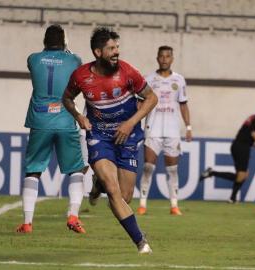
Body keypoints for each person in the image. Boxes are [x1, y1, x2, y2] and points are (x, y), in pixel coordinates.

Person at [62, 27, 157, 254]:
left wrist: (130, 123)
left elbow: (152, 98)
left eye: (117, 48)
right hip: (100, 136)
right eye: (111, 49)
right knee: (114, 192)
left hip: (128, 135)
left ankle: (99, 184)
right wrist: (79, 116)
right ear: (98, 52)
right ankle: (141, 243)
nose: (117, 52)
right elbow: (66, 98)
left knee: (125, 198)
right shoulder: (81, 76)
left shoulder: (128, 73)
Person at [16, 25, 87, 234]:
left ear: (44, 41)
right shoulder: (74, 59)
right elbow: (74, 62)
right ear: (64, 41)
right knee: (75, 169)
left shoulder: (33, 58)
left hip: (40, 120)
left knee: (33, 171)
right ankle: (73, 216)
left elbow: (40, 64)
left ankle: (27, 223)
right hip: (65, 120)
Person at [136, 45, 192, 216]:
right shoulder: (148, 79)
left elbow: (183, 105)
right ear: (157, 58)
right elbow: (140, 103)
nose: (165, 59)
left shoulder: (179, 80)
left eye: (168, 56)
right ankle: (142, 204)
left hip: (173, 131)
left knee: (172, 170)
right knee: (147, 167)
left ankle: (174, 205)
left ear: (172, 59)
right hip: (152, 129)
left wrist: (188, 127)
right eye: (162, 56)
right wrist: (136, 124)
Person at [199, 99, 255, 203]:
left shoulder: (253, 117)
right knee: (241, 175)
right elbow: (254, 134)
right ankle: (213, 174)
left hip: (238, 145)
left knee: (243, 175)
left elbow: (247, 134)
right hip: (241, 147)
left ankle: (232, 197)